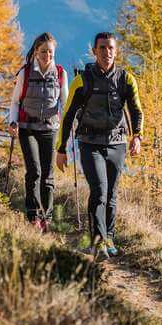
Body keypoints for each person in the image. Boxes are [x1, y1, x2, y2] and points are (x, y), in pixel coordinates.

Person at [55, 31, 143, 258]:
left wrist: (137, 136)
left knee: (112, 193)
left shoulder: (125, 79)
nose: (107, 52)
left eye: (111, 48)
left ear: (116, 51)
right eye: (102, 48)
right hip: (89, 143)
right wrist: (61, 149)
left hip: (117, 143)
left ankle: (109, 236)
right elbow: (67, 116)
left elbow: (136, 110)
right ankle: (97, 242)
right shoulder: (82, 80)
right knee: (99, 191)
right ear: (94, 51)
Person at [8, 32, 69, 232]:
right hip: (27, 129)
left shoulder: (60, 73)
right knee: (34, 171)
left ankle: (47, 216)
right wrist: (13, 122)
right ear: (36, 52)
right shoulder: (25, 73)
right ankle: (33, 214)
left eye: (50, 52)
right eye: (43, 52)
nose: (47, 56)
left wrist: (70, 124)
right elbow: (15, 101)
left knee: (48, 174)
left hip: (50, 128)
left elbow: (65, 103)